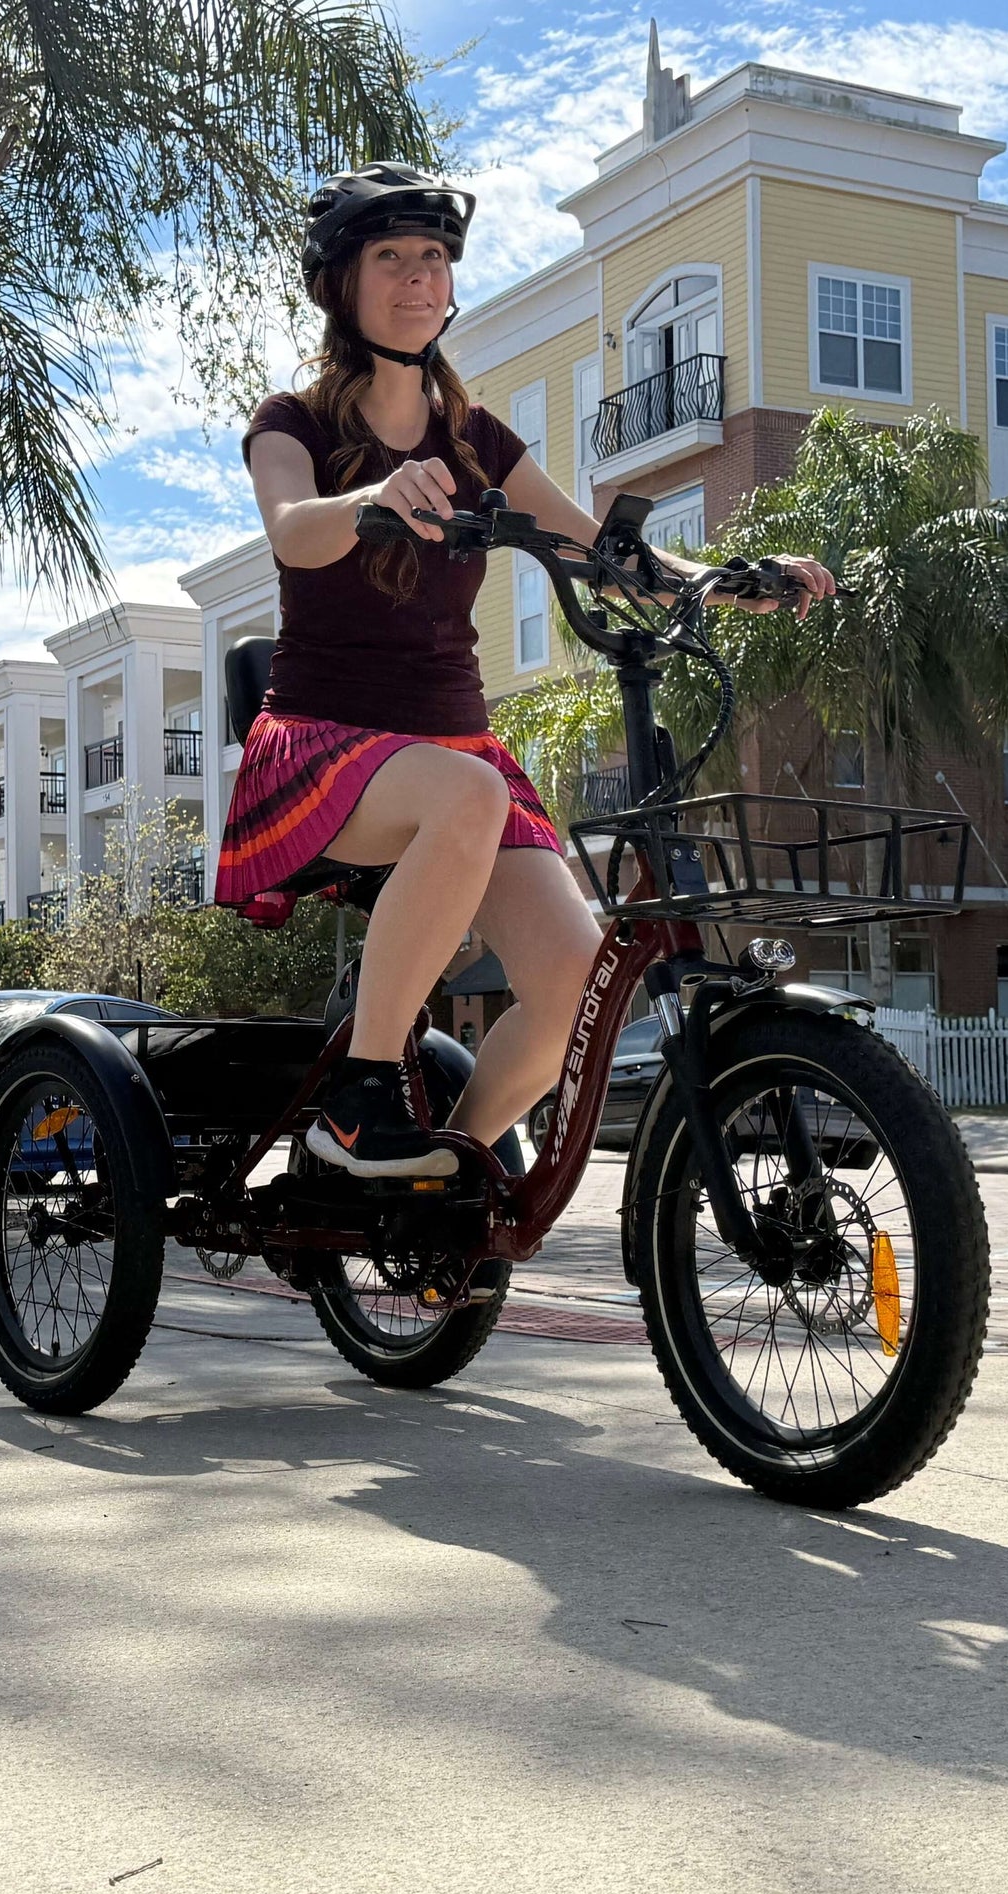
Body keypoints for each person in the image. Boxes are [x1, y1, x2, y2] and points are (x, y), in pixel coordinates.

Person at [214, 161, 835, 1178]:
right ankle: (363, 1094)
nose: (418, 279)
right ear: (339, 282)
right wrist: (370, 496)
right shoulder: (293, 422)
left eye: (433, 259)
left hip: (452, 749)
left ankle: (447, 1171)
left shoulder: (476, 440)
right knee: (464, 790)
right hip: (322, 742)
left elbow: (602, 549)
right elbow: (292, 530)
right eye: (389, 258)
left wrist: (725, 578)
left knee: (575, 976)